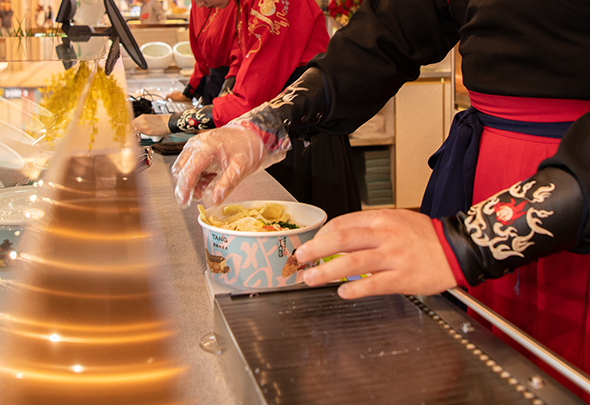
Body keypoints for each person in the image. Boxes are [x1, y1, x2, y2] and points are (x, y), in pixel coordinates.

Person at [171, 0, 590, 399]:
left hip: (570, 192)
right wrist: (266, 125)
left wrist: (469, 241)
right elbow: (386, 34)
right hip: (485, 172)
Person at [133, 0, 361, 219]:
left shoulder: (272, 5)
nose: (199, 5)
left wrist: (172, 122)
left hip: (303, 132)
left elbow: (249, 100)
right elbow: (240, 62)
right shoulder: (245, 4)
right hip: (280, 127)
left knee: (304, 227)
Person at [164, 0, 238, 106]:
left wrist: (226, 95)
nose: (200, 4)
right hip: (213, 83)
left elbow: (242, 54)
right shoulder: (198, 5)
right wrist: (190, 92)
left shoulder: (242, 5)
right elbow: (201, 58)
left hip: (237, 84)